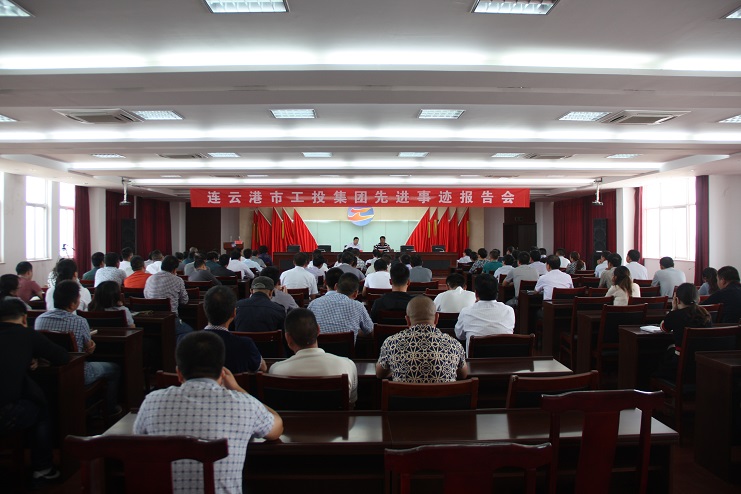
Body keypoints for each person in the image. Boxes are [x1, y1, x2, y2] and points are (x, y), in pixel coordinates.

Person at [133, 331, 283, 494]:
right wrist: (237, 388)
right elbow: (277, 428)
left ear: (179, 373)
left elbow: (138, 443)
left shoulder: (152, 401)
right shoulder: (245, 404)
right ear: (222, 373)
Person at [0, 298, 68, 488]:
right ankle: (43, 469)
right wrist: (31, 354)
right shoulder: (26, 334)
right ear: (24, 318)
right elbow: (61, 356)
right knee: (40, 408)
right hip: (5, 413)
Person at [35, 280, 121, 415]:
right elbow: (89, 349)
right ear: (72, 304)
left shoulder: (40, 319)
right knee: (114, 368)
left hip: (49, 373)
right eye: (78, 298)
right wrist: (91, 346)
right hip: (77, 372)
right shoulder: (79, 321)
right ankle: (111, 409)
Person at [270, 309, 358, 405]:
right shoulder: (347, 365)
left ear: (288, 338)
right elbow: (350, 404)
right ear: (318, 330)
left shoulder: (276, 371)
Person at [376, 296, 467, 383]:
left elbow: (380, 374)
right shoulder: (454, 345)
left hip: (405, 394)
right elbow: (463, 374)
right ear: (436, 318)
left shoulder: (391, 343)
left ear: (407, 320)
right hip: (444, 394)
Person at [654, 283, 712, 380]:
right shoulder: (706, 314)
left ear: (677, 300)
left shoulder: (675, 315)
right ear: (698, 299)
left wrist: (673, 309)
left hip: (679, 365)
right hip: (701, 365)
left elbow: (663, 328)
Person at [203, 285, 266, 373]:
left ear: (205, 310)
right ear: (234, 313)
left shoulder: (187, 342)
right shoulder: (245, 344)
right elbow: (263, 368)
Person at [455, 274, 515, 355]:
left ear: (476, 294)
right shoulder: (509, 310)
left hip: (475, 362)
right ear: (497, 293)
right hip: (503, 360)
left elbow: (459, 335)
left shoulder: (466, 312)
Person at [308, 273, 373, 341]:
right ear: (356, 293)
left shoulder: (314, 303)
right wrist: (356, 331)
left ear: (336, 286)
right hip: (347, 348)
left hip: (318, 347)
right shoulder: (358, 306)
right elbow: (370, 331)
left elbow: (306, 330)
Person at [143, 255, 194, 342]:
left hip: (152, 320)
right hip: (171, 320)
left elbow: (146, 296)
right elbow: (184, 300)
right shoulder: (178, 280)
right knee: (190, 332)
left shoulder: (150, 278)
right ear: (174, 269)